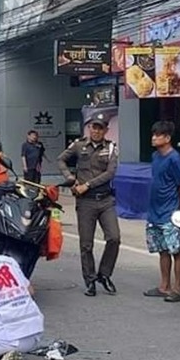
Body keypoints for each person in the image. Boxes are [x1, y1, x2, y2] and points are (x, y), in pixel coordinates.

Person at [56, 112, 120, 297]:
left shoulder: (111, 148)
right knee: (86, 245)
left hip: (105, 200)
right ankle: (90, 280)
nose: (96, 131)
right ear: (89, 128)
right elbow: (61, 159)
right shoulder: (79, 145)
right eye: (94, 127)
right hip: (85, 202)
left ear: (106, 130)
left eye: (100, 128)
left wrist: (88, 184)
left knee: (114, 238)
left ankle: (105, 274)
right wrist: (70, 178)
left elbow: (110, 173)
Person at [144, 121, 180, 303]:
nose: (154, 137)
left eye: (158, 135)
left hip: (170, 211)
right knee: (162, 250)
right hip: (154, 211)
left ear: (167, 138)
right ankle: (164, 286)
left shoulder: (175, 159)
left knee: (175, 250)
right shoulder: (155, 156)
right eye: (153, 134)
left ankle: (177, 288)